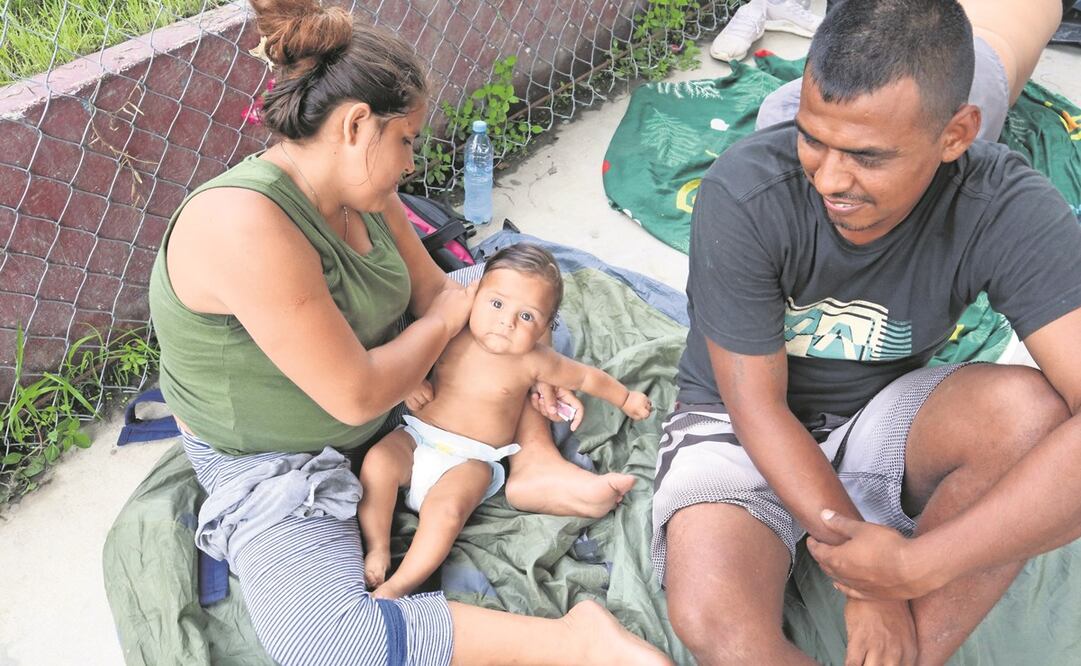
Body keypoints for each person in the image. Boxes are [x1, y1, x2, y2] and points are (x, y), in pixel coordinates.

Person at [148, 1, 672, 663]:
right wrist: (451, 317)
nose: (410, 161)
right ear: (356, 125)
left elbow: (434, 293)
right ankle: (578, 641)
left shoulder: (364, 193)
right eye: (406, 139)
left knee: (519, 329)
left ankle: (531, 452)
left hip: (401, 398)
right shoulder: (242, 224)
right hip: (275, 452)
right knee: (326, 646)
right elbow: (360, 391)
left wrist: (462, 319)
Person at [652, 0, 1079, 664]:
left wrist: (917, 568)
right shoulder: (744, 192)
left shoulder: (1005, 207)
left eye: (867, 157)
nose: (829, 178)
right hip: (740, 426)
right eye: (812, 137)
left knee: (1030, 414)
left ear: (956, 134)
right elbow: (755, 407)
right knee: (715, 624)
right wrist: (870, 589)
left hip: (881, 413)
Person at [359, 244, 653, 599]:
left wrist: (625, 398)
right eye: (497, 304)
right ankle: (376, 547)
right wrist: (409, 381)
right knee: (378, 462)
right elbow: (404, 350)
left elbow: (587, 378)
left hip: (470, 461)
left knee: (447, 514)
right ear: (475, 295)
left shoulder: (535, 360)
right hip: (418, 438)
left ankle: (400, 584)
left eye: (526, 317)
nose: (506, 322)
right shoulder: (451, 328)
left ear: (545, 326)